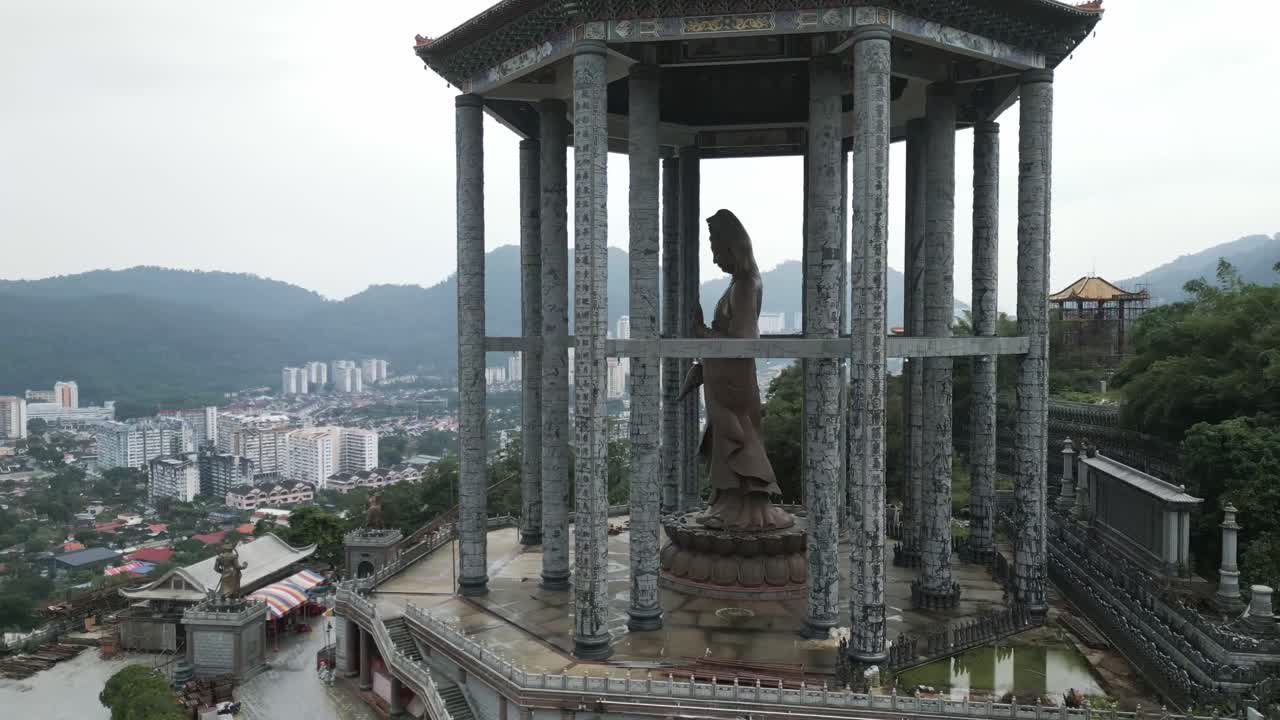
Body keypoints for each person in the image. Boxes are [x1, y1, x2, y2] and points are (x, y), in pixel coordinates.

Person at [686, 209, 793, 531]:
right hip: (723, 378)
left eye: (718, 252)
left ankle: (743, 510)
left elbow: (743, 340)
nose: (717, 260)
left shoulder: (746, 284)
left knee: (738, 441)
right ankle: (726, 505)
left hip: (733, 382)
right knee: (725, 443)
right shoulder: (738, 283)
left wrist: (703, 333)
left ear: (734, 248)